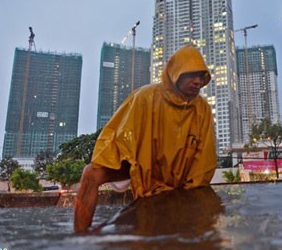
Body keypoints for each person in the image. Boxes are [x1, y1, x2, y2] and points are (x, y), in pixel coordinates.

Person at [74, 45, 217, 232]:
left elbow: (204, 157)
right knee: (90, 174)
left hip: (179, 174)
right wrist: (135, 167)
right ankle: (80, 234)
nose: (198, 81)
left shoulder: (203, 109)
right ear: (176, 73)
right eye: (192, 75)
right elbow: (119, 135)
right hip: (144, 165)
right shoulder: (145, 97)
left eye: (202, 76)